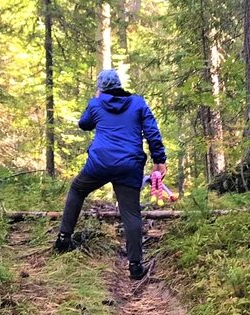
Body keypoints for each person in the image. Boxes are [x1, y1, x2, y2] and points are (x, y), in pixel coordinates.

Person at [54, 69, 166, 280]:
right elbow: (152, 132)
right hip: (129, 165)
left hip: (100, 163)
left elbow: (84, 124)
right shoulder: (138, 103)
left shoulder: (96, 104)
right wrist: (159, 160)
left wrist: (96, 100)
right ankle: (135, 266)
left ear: (100, 88)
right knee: (131, 212)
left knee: (77, 189)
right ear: (119, 85)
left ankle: (63, 239)